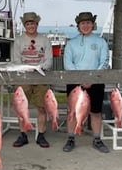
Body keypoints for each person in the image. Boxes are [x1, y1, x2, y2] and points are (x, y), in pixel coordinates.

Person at [62, 12, 110, 153]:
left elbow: (104, 62)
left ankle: (97, 139)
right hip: (75, 83)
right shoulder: (71, 43)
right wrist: (80, 79)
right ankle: (71, 138)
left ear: (93, 25)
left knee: (96, 111)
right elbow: (67, 63)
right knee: (72, 111)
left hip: (96, 82)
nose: (85, 25)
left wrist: (92, 79)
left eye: (88, 23)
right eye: (82, 23)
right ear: (78, 26)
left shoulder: (101, 42)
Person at [12, 12, 53, 148]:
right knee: (21, 108)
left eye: (33, 23)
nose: (31, 26)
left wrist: (39, 68)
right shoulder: (18, 40)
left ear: (37, 24)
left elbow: (49, 60)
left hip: (41, 77)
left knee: (42, 108)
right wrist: (27, 69)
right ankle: (23, 134)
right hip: (24, 77)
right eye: (28, 24)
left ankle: (41, 134)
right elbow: (16, 60)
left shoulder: (45, 40)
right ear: (25, 25)